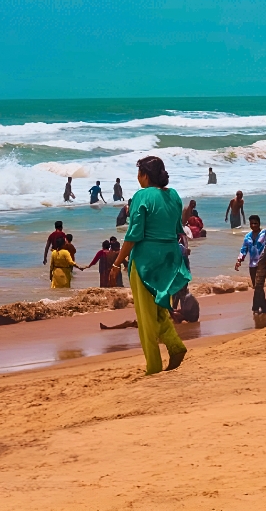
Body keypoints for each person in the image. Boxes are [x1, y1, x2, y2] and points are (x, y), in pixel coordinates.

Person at [108, 156, 190, 375]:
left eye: (139, 173)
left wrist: (116, 264)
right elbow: (177, 228)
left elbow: (134, 234)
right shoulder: (173, 195)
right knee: (159, 310)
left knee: (145, 319)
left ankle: (153, 367)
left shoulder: (141, 196)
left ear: (145, 175)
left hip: (145, 262)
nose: (137, 178)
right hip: (170, 261)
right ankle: (175, 346)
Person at [234, 215, 266, 286]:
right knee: (255, 285)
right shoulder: (248, 236)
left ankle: (259, 297)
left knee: (259, 285)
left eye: (255, 223)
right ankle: (260, 297)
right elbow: (244, 249)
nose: (253, 225)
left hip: (263, 264)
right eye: (251, 224)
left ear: (259, 223)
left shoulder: (265, 234)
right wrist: (239, 261)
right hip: (252, 265)